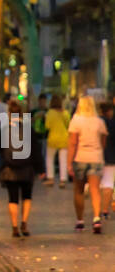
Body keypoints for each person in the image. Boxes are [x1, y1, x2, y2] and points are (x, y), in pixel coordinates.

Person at [67, 93, 107, 232]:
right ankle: (96, 218)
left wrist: (69, 163)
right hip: (96, 157)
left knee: (78, 190)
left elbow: (72, 143)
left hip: (80, 158)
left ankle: (80, 220)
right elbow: (103, 141)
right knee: (95, 189)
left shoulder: (76, 120)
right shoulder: (99, 121)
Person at [0, 98, 35, 236]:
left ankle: (14, 227)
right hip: (26, 168)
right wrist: (41, 169)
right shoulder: (28, 129)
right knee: (27, 196)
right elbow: (35, 150)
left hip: (9, 169)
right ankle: (24, 223)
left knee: (12, 198)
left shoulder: (3, 130)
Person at [43, 93, 70, 186]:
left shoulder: (50, 113)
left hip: (53, 138)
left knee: (50, 159)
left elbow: (47, 126)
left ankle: (50, 179)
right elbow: (68, 125)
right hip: (64, 139)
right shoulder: (65, 113)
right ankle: (63, 180)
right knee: (63, 160)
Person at [101, 101, 115, 219]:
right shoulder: (111, 123)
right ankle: (104, 210)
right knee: (108, 183)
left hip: (94, 156)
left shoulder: (95, 122)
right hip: (110, 157)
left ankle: (97, 209)